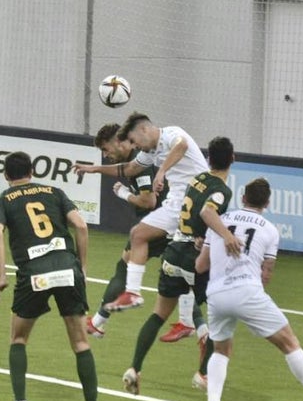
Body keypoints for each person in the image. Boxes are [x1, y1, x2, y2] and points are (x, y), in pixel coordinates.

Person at [195, 178, 303, 401]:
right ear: (267, 203)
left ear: (243, 198)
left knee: (222, 350)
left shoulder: (219, 223)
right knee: (289, 343)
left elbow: (200, 265)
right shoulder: (269, 229)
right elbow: (267, 273)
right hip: (247, 291)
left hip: (216, 295)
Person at [75, 112, 240, 312]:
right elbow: (130, 168)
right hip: (177, 204)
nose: (135, 147)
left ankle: (206, 312)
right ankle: (134, 294)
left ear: (144, 130)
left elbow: (182, 146)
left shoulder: (172, 133)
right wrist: (95, 169)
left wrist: (161, 171)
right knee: (140, 236)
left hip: (197, 199)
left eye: (134, 141)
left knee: (191, 265)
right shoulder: (150, 151)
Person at [0, 150, 101, 401]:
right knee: (80, 344)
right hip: (67, 269)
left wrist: (1, 276)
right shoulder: (54, 191)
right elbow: (81, 225)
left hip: (34, 274)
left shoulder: (3, 199)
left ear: (6, 176)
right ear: (32, 172)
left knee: (18, 339)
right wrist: (83, 267)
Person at [121, 136, 236, 396]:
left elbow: (191, 208)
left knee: (158, 314)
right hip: (193, 259)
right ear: (233, 159)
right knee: (222, 315)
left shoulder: (196, 179)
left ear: (208, 159)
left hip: (172, 253)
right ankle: (203, 373)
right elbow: (207, 211)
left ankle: (134, 368)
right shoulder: (221, 190)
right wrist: (215, 236)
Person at [85, 122, 202, 342]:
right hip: (172, 214)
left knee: (125, 265)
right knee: (179, 271)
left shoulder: (165, 141)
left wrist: (123, 193)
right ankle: (194, 327)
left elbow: (148, 201)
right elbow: (129, 169)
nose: (105, 154)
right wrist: (95, 169)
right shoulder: (143, 157)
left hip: (169, 218)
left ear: (120, 141)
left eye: (105, 148)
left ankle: (99, 321)